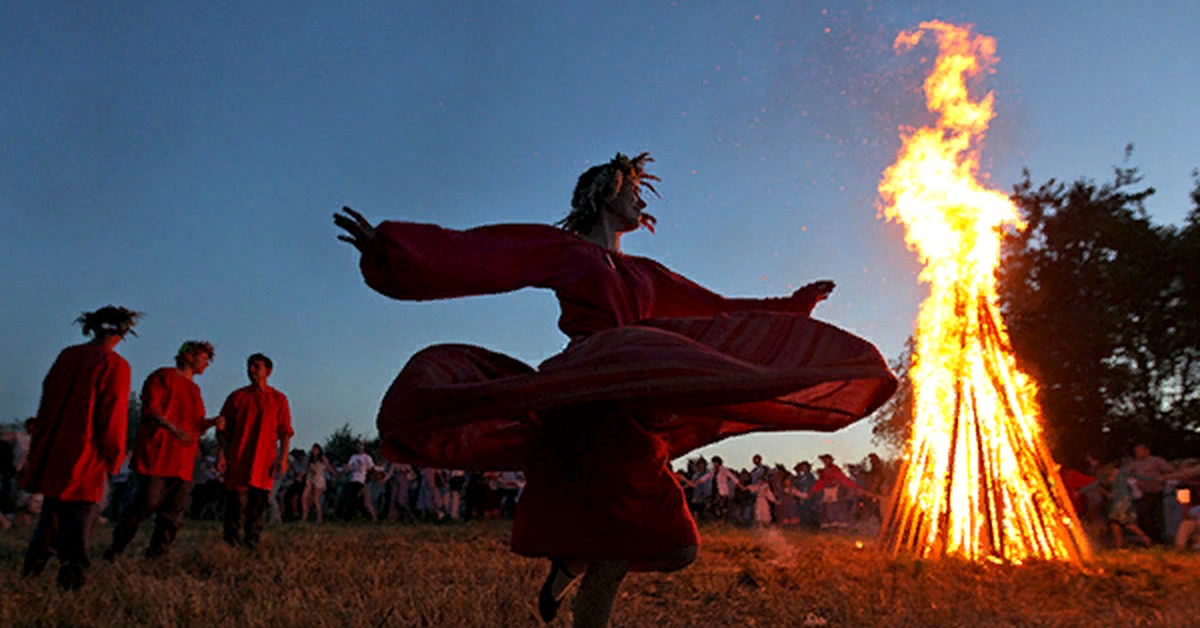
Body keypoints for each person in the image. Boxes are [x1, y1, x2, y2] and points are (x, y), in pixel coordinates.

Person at [334, 151, 895, 627]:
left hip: (634, 402)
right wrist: (392, 248)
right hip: (587, 395)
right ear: (604, 193)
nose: (639, 201)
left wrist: (793, 308)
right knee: (651, 541)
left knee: (672, 548)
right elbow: (483, 254)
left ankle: (573, 559)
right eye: (630, 189)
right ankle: (580, 560)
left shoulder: (646, 274)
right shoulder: (568, 252)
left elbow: (717, 310)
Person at [21, 306, 138, 590]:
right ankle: (72, 579)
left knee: (53, 512)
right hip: (88, 453)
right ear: (122, 333)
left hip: (56, 449)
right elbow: (111, 414)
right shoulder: (115, 365)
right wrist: (113, 454)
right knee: (80, 518)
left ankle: (31, 573)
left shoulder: (67, 356)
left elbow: (47, 399)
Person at [108, 341, 221, 560]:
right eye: (203, 358)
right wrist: (174, 429)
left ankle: (157, 554)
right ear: (188, 356)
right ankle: (117, 546)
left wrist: (213, 422)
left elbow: (195, 424)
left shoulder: (194, 390)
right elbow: (152, 409)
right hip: (157, 455)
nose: (206, 364)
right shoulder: (163, 377)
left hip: (184, 460)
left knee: (174, 511)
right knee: (146, 503)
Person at [217, 353, 294, 548]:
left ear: (267, 371)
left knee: (258, 503)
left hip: (264, 459)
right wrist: (221, 454)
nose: (251, 370)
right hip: (239, 456)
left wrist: (283, 458)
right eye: (249, 366)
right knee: (237, 501)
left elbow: (285, 431)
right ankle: (231, 541)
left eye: (256, 367)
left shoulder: (278, 399)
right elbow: (223, 429)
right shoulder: (237, 397)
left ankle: (252, 540)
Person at [341, 441, 378, 522]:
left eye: (361, 446)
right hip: (353, 480)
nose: (359, 448)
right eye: (357, 446)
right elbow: (349, 468)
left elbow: (371, 468)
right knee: (355, 499)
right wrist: (345, 468)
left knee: (362, 501)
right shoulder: (353, 457)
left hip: (362, 480)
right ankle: (365, 516)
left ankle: (349, 517)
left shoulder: (367, 457)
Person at [301, 444, 333, 523]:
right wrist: (301, 475)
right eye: (313, 449)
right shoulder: (309, 459)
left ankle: (319, 518)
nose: (315, 451)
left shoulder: (323, 459)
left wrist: (329, 471)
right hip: (310, 479)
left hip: (319, 480)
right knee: (304, 497)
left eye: (316, 450)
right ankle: (304, 516)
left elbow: (330, 469)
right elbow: (305, 469)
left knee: (316, 499)